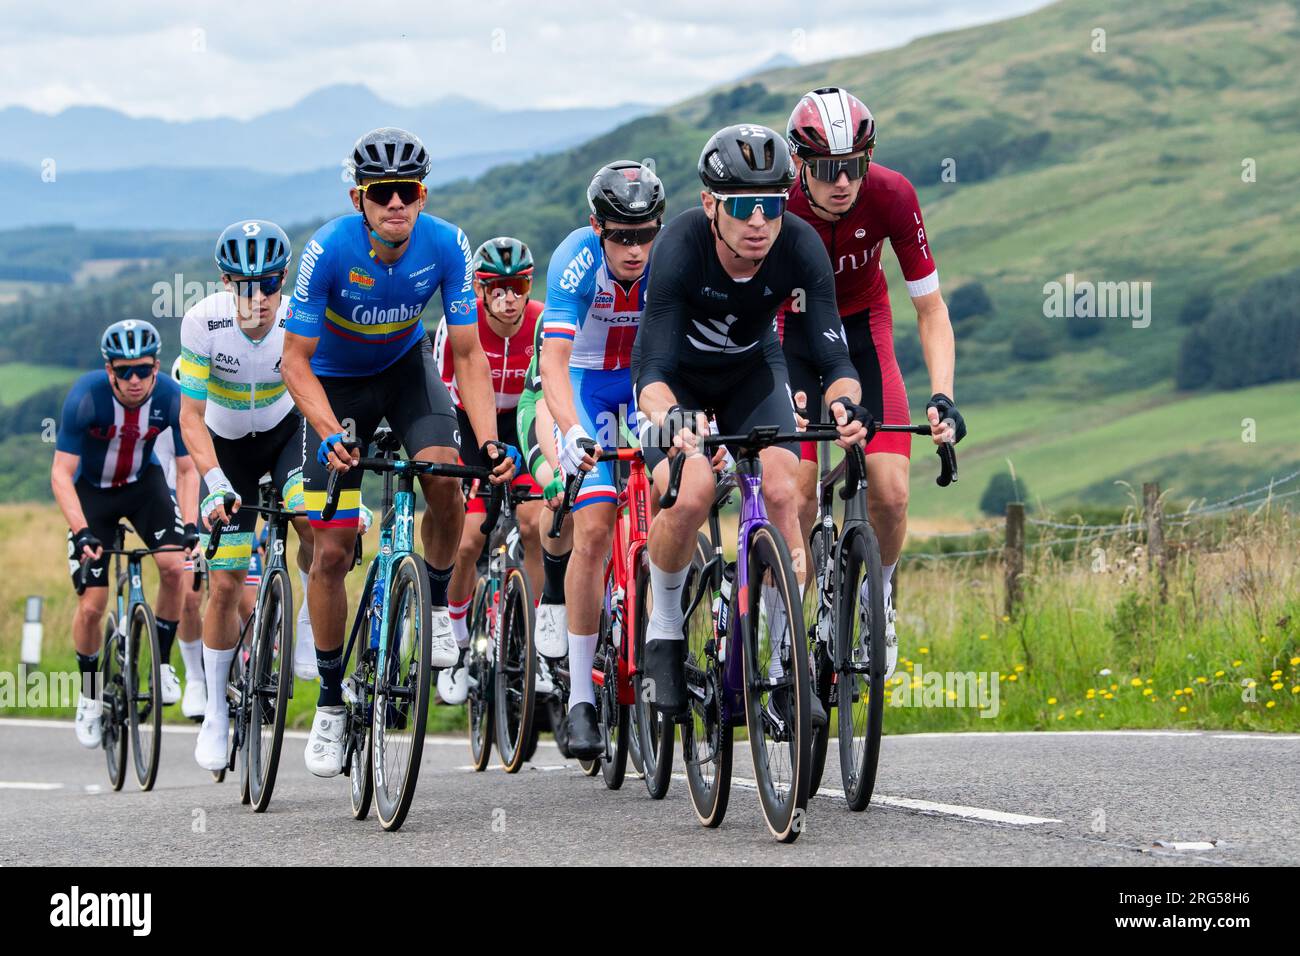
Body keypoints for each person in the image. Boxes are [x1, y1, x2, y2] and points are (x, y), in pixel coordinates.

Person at [281, 127, 513, 777]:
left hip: (406, 372)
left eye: (405, 192)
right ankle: (330, 701)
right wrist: (328, 431)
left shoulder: (445, 244)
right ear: (360, 198)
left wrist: (487, 437)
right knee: (330, 550)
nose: (394, 204)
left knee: (444, 477)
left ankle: (438, 602)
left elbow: (466, 353)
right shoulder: (328, 249)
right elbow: (293, 362)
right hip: (336, 386)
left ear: (421, 194)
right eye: (381, 193)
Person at [631, 125, 868, 719]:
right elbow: (651, 369)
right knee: (690, 495)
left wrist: (845, 404)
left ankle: (789, 666)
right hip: (676, 384)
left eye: (772, 204)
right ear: (711, 204)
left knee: (787, 490)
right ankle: (663, 627)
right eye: (743, 206)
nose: (759, 221)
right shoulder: (680, 246)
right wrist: (673, 417)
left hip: (752, 375)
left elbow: (835, 356)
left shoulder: (801, 246)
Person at [783, 88, 966, 679]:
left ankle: (877, 595)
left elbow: (932, 310)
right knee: (799, 490)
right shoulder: (776, 205)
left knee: (891, 492)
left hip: (864, 330)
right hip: (792, 337)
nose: (844, 182)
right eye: (830, 169)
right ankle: (787, 628)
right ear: (801, 166)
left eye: (855, 166)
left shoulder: (892, 195)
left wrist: (944, 396)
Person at [178, 219, 317, 769]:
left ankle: (306, 624)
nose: (256, 298)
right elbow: (190, 418)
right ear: (224, 281)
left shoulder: (300, 317)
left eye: (267, 284)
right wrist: (212, 483)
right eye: (243, 285)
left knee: (313, 518)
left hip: (286, 434)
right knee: (227, 580)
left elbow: (323, 389)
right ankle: (216, 711)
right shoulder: (202, 322)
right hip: (227, 445)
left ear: (284, 279)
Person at [539, 160, 664, 757]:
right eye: (621, 235)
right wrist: (568, 431)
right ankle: (580, 701)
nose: (635, 248)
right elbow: (555, 365)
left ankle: (663, 630)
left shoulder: (666, 262)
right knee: (593, 525)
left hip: (641, 388)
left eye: (646, 234)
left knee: (675, 483)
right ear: (598, 228)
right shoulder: (575, 261)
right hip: (584, 390)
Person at [52, 320, 199, 747]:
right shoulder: (86, 397)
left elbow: (187, 469)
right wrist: (81, 533)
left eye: (143, 370)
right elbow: (61, 474)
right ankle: (90, 696)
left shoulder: (171, 395)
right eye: (124, 372)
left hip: (142, 486)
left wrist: (189, 526)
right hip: (91, 495)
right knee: (93, 606)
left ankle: (163, 663)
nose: (135, 381)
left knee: (175, 567)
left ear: (156, 366)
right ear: (109, 370)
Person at [432, 236, 544, 704]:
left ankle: (542, 643)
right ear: (479, 290)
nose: (507, 297)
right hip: (465, 421)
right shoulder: (460, 323)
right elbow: (438, 397)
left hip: (521, 420)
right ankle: (456, 644)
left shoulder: (541, 321)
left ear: (528, 285)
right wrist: (461, 464)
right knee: (470, 537)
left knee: (538, 523)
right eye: (494, 287)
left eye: (516, 286)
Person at [158, 356, 207, 719]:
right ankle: (195, 677)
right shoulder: (164, 426)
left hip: (221, 507)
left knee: (245, 601)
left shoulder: (225, 416)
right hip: (184, 509)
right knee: (190, 597)